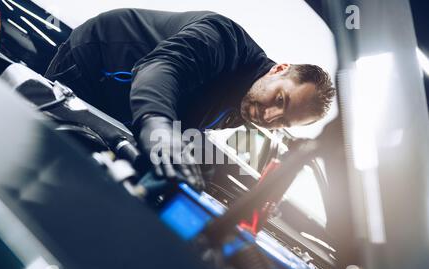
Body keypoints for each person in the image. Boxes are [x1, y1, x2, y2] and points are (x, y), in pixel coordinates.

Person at [45, 8, 335, 189]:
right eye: (281, 100)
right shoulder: (223, 38)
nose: (270, 117)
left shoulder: (242, 108)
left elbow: (187, 120)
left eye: (282, 120)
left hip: (121, 108)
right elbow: (161, 69)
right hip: (91, 66)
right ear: (279, 70)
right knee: (52, 154)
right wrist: (158, 126)